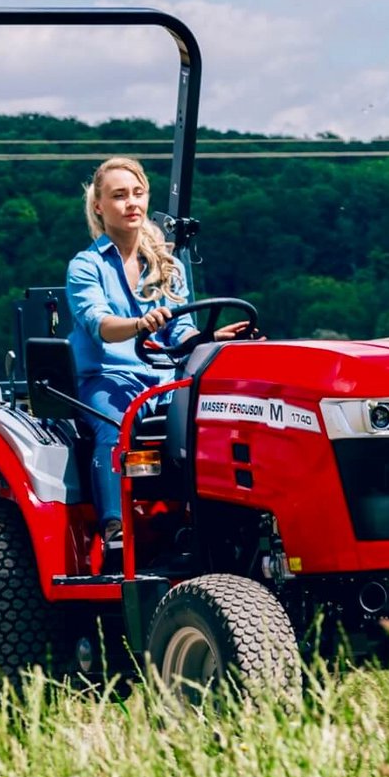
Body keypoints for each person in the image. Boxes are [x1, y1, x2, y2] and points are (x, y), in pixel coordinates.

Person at [66, 156, 249, 544]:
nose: (131, 203)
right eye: (119, 196)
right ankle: (114, 526)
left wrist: (209, 339)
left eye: (137, 193)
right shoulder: (85, 267)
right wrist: (138, 325)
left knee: (220, 419)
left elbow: (181, 332)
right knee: (115, 423)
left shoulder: (166, 265)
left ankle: (214, 519)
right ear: (99, 206)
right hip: (108, 376)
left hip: (164, 378)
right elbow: (99, 325)